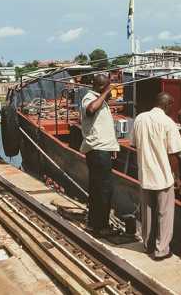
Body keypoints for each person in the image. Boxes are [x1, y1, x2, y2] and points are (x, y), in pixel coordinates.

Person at [132, 92, 181, 261]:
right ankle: (161, 250)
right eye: (171, 106)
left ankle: (147, 245)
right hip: (163, 176)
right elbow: (174, 154)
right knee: (165, 214)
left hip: (145, 175)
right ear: (167, 105)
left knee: (147, 214)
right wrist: (176, 177)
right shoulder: (168, 123)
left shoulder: (139, 119)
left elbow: (134, 145)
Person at [80, 73, 120, 237]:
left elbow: (101, 126)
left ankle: (94, 223)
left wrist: (112, 146)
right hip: (97, 150)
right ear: (102, 87)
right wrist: (106, 93)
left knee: (98, 188)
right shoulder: (89, 98)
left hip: (103, 148)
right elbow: (90, 110)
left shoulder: (100, 99)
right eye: (108, 87)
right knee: (104, 189)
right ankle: (101, 226)